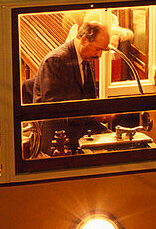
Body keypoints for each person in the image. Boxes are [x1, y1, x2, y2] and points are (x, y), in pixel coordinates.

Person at [31, 22, 110, 153]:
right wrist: (93, 115)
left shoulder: (87, 59)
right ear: (84, 40)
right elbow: (54, 108)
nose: (100, 55)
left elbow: (89, 97)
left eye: (103, 50)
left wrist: (99, 111)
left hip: (80, 128)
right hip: (58, 137)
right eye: (98, 49)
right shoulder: (56, 61)